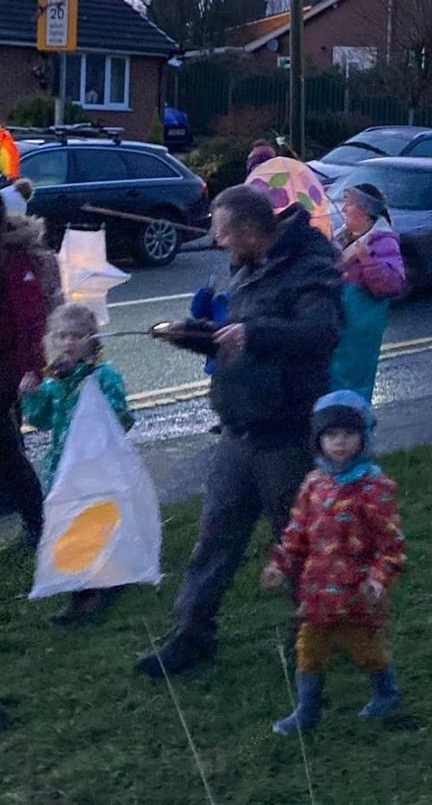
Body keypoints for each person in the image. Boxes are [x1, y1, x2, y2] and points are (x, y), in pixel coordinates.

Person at [137, 184, 344, 679]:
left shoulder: (310, 267)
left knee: (294, 540)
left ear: (251, 232)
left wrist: (256, 334)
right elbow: (235, 340)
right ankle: (192, 634)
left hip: (285, 432)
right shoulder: (249, 268)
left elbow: (323, 333)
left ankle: (317, 635)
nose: (218, 242)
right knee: (215, 537)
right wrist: (193, 336)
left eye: (224, 233)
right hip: (239, 429)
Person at [262, 391, 408, 733]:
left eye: (348, 434)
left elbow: (391, 543)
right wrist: (280, 565)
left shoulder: (375, 488)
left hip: (358, 593)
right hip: (316, 591)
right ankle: (307, 709)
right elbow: (297, 530)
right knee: (308, 648)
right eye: (330, 436)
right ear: (318, 440)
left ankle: (386, 691)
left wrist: (378, 579)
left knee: (365, 648)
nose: (339, 443)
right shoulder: (314, 485)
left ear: (363, 437)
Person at [20, 303, 131, 624]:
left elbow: (119, 417)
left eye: (77, 336)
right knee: (70, 526)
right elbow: (41, 419)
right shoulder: (55, 381)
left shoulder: (103, 376)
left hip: (95, 467)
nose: (68, 343)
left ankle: (97, 588)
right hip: (64, 467)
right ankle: (81, 588)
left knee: (94, 523)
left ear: (92, 340)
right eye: (62, 336)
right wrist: (32, 395)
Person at [0, 186, 60, 549]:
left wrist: (31, 371)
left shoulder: (16, 258)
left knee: (7, 450)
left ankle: (37, 524)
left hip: (7, 368)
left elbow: (30, 321)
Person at [329, 183, 407, 402]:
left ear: (364, 210)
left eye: (349, 204)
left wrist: (367, 260)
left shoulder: (383, 241)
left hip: (360, 332)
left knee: (353, 384)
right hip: (339, 327)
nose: (343, 209)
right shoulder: (340, 239)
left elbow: (393, 284)